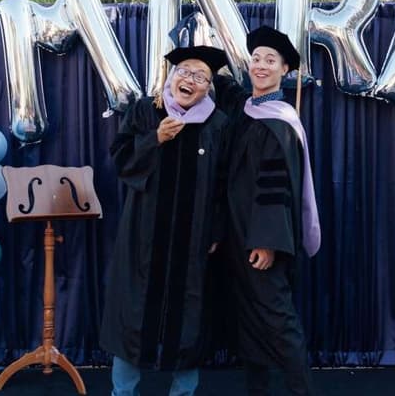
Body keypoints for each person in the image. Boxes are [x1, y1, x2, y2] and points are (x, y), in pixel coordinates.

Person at [100, 39, 229, 396]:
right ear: (171, 77)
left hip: (194, 240)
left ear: (208, 88)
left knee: (189, 319)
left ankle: (182, 393)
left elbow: (224, 182)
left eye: (200, 76)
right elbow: (120, 160)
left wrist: (217, 229)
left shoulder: (217, 124)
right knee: (133, 316)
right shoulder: (146, 111)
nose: (190, 80)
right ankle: (123, 392)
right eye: (184, 72)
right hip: (143, 237)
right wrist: (154, 139)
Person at [213, 26, 321, 396]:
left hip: (261, 241)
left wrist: (267, 242)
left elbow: (278, 191)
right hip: (234, 234)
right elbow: (221, 86)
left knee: (279, 320)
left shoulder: (280, 123)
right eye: (256, 58)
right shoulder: (244, 108)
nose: (260, 65)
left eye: (270, 60)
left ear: (284, 69)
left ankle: (301, 391)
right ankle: (257, 390)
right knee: (248, 319)